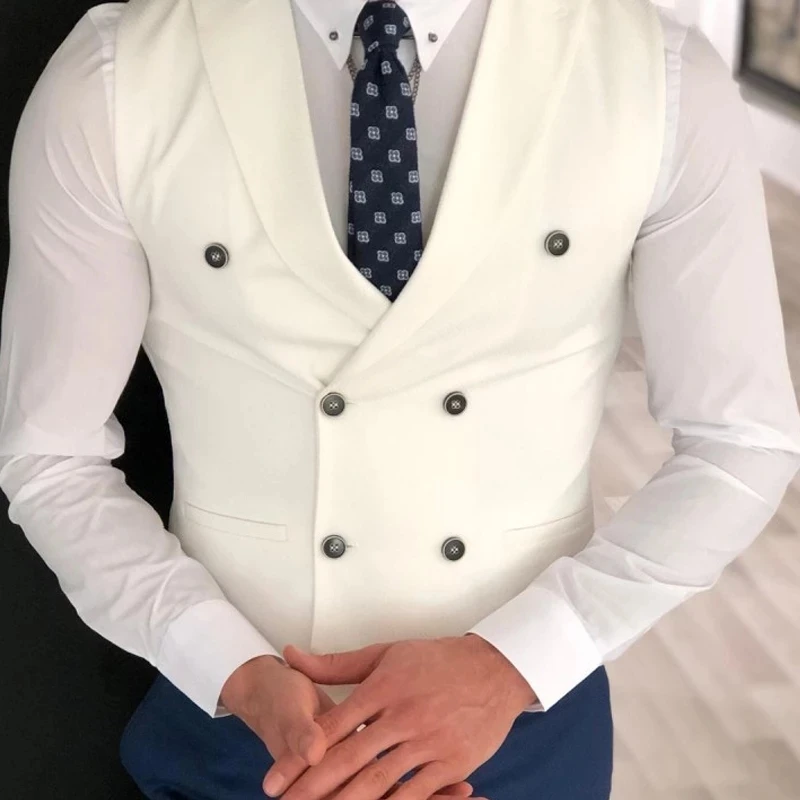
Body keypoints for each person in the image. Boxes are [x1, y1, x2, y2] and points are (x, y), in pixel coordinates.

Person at [2, 1, 800, 798]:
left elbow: (742, 441)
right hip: (233, 733)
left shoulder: (660, 76)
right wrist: (227, 664)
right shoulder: (117, 75)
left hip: (524, 731)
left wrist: (516, 662)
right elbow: (50, 454)